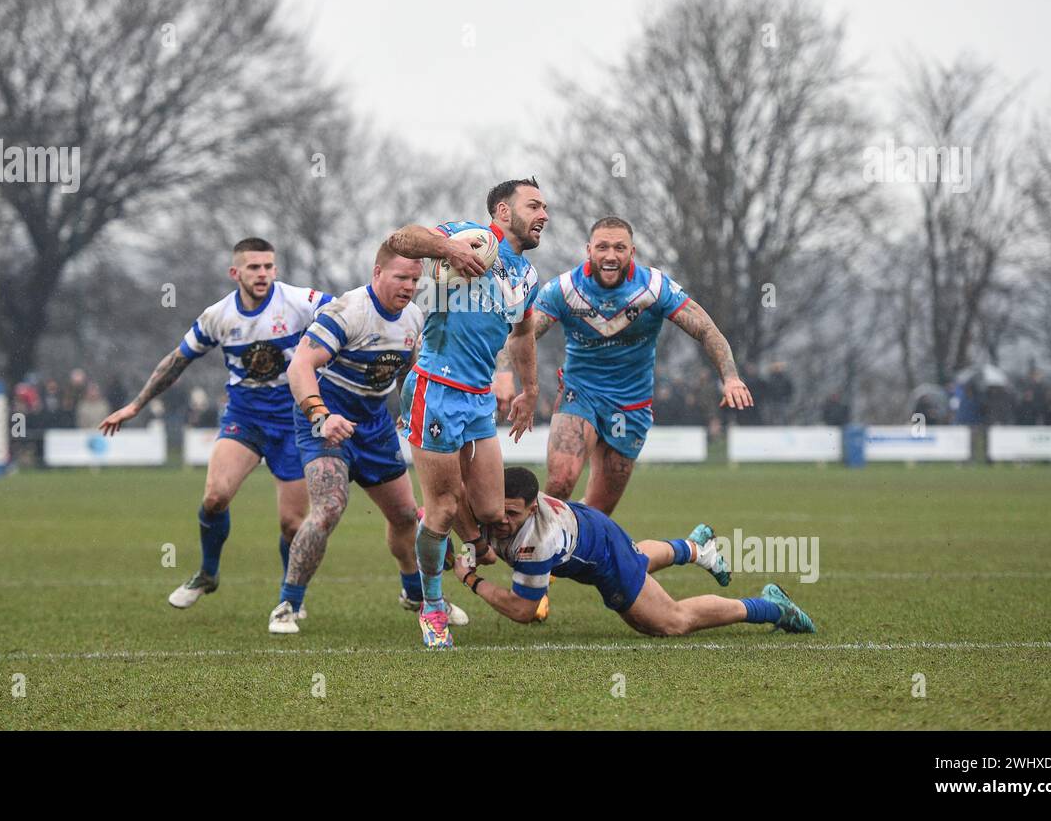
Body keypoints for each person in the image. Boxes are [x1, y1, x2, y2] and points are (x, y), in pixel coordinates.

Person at [99, 237, 331, 612]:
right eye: (254, 267)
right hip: (245, 417)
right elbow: (177, 361)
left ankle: (291, 598)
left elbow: (345, 317)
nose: (263, 274)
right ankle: (208, 573)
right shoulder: (219, 316)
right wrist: (136, 405)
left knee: (292, 525)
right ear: (234, 272)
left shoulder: (300, 301)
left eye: (269, 266)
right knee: (214, 497)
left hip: (294, 421)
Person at [384, 177, 548, 648]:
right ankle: (432, 606)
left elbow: (521, 334)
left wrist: (529, 389)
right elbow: (400, 240)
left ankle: (469, 542)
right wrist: (447, 251)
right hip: (434, 388)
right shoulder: (469, 237)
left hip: (478, 399)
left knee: (492, 509)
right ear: (502, 211)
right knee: (442, 510)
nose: (543, 215)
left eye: (545, 209)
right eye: (534, 205)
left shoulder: (527, 277)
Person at [269, 246, 468, 633]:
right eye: (401, 277)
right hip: (325, 422)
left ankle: (414, 592)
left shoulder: (413, 317)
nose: (409, 286)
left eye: (415, 279)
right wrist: (322, 416)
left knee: (406, 516)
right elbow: (300, 366)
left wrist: (409, 410)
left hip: (373, 426)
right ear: (377, 272)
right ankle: (287, 605)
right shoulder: (348, 312)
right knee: (329, 508)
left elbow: (409, 372)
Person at [508, 216, 751, 516]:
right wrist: (504, 375)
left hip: (631, 406)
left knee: (597, 513)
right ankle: (536, 560)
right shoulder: (565, 288)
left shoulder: (655, 288)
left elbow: (705, 329)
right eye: (603, 247)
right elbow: (521, 336)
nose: (611, 255)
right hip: (579, 395)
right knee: (560, 481)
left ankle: (569, 548)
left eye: (619, 248)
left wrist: (730, 378)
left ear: (632, 252)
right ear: (589, 250)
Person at [452, 467, 814, 638]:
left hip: (603, 559)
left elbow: (523, 610)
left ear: (533, 509)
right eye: (497, 511)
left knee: (669, 623)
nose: (500, 520)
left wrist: (470, 578)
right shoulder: (488, 504)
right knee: (638, 559)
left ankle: (773, 607)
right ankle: (695, 548)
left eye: (511, 514)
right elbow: (452, 510)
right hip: (595, 530)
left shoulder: (536, 542)